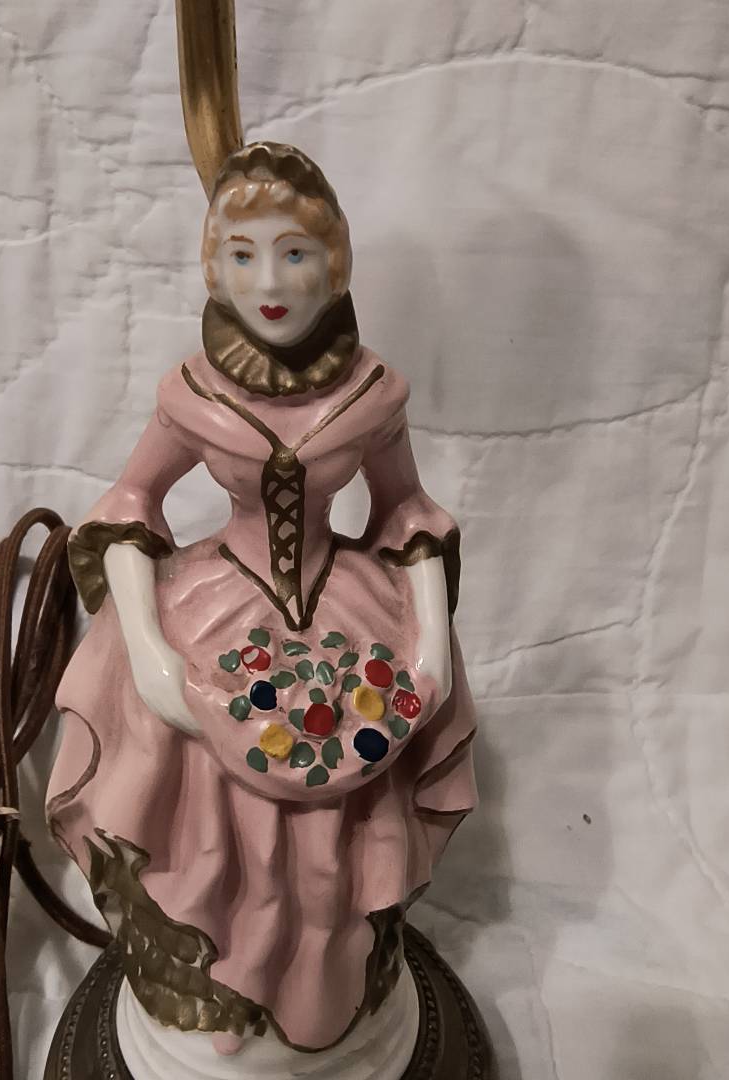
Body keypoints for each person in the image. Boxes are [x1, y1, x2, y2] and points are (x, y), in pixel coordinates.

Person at [47, 141, 477, 1057]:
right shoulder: (190, 394)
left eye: (295, 253)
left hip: (342, 604)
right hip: (217, 604)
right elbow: (128, 505)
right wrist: (151, 652)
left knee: (344, 809)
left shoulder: (373, 394)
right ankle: (217, 993)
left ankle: (326, 991)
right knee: (180, 766)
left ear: (335, 263)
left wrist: (430, 647)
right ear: (213, 266)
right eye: (243, 255)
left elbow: (407, 509)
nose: (270, 281)